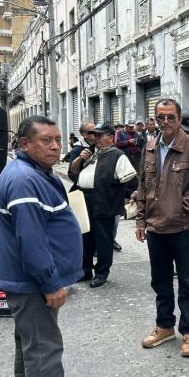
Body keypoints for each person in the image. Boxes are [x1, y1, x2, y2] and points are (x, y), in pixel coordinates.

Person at [0, 115, 83, 377]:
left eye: (57, 140)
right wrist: (50, 283)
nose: (55, 146)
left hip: (29, 282)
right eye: (46, 141)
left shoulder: (35, 171)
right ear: (24, 143)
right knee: (45, 352)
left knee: (31, 348)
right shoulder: (24, 179)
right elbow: (31, 239)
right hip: (33, 284)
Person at [135, 98, 189, 357]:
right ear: (155, 120)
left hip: (184, 228)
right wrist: (140, 219)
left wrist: (181, 207)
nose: (165, 122)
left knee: (188, 283)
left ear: (179, 119)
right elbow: (143, 186)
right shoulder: (149, 147)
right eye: (160, 117)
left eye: (170, 117)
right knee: (160, 281)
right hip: (156, 229)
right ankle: (164, 325)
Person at [74, 122, 137, 288]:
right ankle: (85, 270)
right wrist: (81, 159)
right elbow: (73, 172)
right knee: (85, 238)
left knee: (103, 240)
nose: (96, 139)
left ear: (110, 137)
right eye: (95, 135)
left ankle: (101, 273)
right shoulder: (93, 153)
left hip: (104, 201)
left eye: (100, 135)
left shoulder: (117, 155)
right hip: (85, 200)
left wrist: (123, 198)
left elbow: (130, 181)